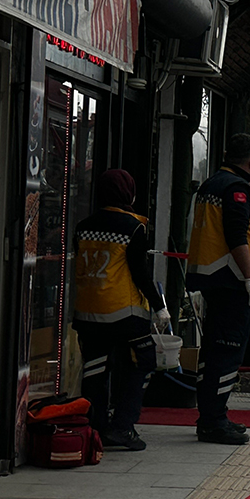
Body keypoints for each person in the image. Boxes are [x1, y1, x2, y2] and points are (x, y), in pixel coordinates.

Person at [72, 169, 169, 451]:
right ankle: (123, 426)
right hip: (124, 313)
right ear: (128, 194)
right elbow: (140, 273)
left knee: (95, 368)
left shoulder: (82, 226)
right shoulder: (133, 228)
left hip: (87, 312)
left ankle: (96, 426)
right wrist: (159, 306)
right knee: (143, 362)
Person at [186, 134, 250, 445]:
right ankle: (213, 421)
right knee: (226, 352)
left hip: (215, 279)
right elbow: (237, 235)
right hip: (231, 281)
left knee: (213, 352)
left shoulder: (212, 184)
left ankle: (212, 416)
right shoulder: (235, 188)